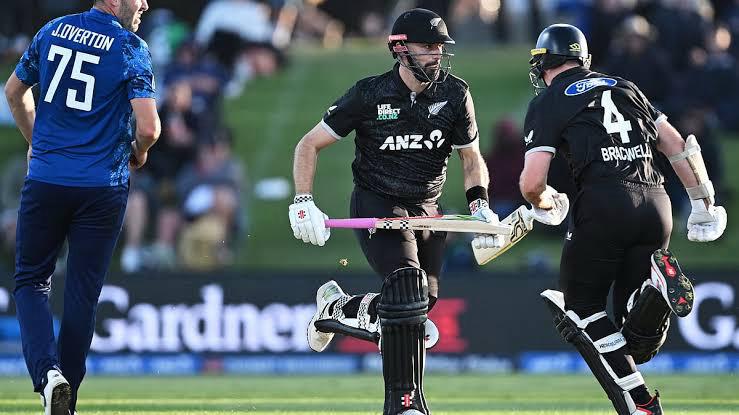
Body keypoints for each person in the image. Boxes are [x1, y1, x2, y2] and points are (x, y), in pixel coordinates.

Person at [288, 8, 503, 415]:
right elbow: (308, 144)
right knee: (406, 289)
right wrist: (302, 201)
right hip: (378, 203)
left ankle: (337, 309)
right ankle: (406, 405)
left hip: (428, 210)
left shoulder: (455, 94)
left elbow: (471, 157)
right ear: (401, 49)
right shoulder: (369, 94)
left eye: (440, 47)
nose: (436, 55)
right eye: (427, 47)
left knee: (417, 310)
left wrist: (480, 207)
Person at [519, 24, 727, 415]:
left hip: (604, 203)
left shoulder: (550, 99)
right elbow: (679, 145)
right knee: (633, 339)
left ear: (545, 62)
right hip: (657, 204)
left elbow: (532, 183)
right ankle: (643, 393)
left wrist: (546, 202)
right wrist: (703, 203)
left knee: (579, 307)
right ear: (583, 58)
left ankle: (640, 389)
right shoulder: (625, 86)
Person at [4, 1, 159, 413]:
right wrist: (140, 151)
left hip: (46, 180)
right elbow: (149, 128)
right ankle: (67, 398)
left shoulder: (52, 30)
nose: (144, 3)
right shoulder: (129, 46)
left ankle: (47, 376)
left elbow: (14, 93)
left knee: (31, 282)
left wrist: (37, 142)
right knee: (82, 294)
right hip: (103, 186)